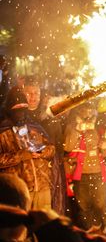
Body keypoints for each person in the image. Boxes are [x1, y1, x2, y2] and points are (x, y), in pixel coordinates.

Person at [0, 86, 55, 210]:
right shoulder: (3, 132)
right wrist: (20, 156)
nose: (20, 113)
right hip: (19, 190)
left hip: (42, 187)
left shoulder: (35, 127)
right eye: (16, 109)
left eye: (23, 108)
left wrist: (42, 152)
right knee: (23, 227)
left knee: (44, 225)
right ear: (9, 109)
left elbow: (52, 149)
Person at [23, 76, 67, 215]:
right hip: (29, 168)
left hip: (50, 164)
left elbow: (58, 141)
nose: (33, 97)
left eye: (36, 93)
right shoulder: (19, 116)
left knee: (53, 204)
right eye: (29, 93)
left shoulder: (48, 115)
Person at [64, 103, 106, 232]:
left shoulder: (97, 128)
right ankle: (88, 234)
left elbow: (104, 153)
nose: (88, 115)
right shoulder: (73, 127)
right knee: (83, 208)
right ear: (79, 112)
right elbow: (67, 147)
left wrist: (105, 147)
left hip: (98, 174)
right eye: (85, 112)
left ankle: (105, 231)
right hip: (80, 175)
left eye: (91, 112)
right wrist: (78, 130)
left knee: (101, 206)